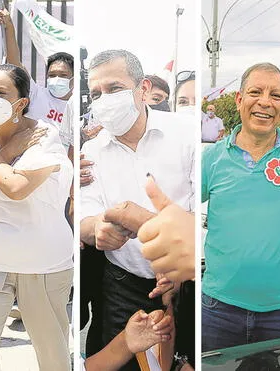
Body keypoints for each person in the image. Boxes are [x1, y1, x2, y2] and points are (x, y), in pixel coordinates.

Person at [79, 49, 195, 370]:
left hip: (184, 281)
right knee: (121, 359)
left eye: (114, 89)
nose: (103, 100)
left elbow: (206, 213)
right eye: (95, 93)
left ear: (143, 89)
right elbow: (86, 216)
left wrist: (176, 263)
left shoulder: (186, 135)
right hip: (123, 283)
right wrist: (98, 227)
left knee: (183, 360)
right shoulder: (92, 151)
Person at [0, 64, 73, 371]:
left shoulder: (43, 134)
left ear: (20, 103)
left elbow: (16, 187)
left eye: (0, 93)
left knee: (54, 359)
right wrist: (3, 153)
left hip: (43, 267)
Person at [202, 62, 280, 351]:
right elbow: (180, 206)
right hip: (217, 309)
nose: (265, 102)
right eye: (256, 92)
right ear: (240, 99)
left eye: (276, 95)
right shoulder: (212, 158)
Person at [0, 8, 74, 157]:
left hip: (60, 166)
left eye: (63, 75)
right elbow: (15, 62)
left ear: (73, 78)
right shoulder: (37, 94)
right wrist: (9, 26)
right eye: (52, 74)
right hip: (30, 160)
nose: (56, 78)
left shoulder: (76, 106)